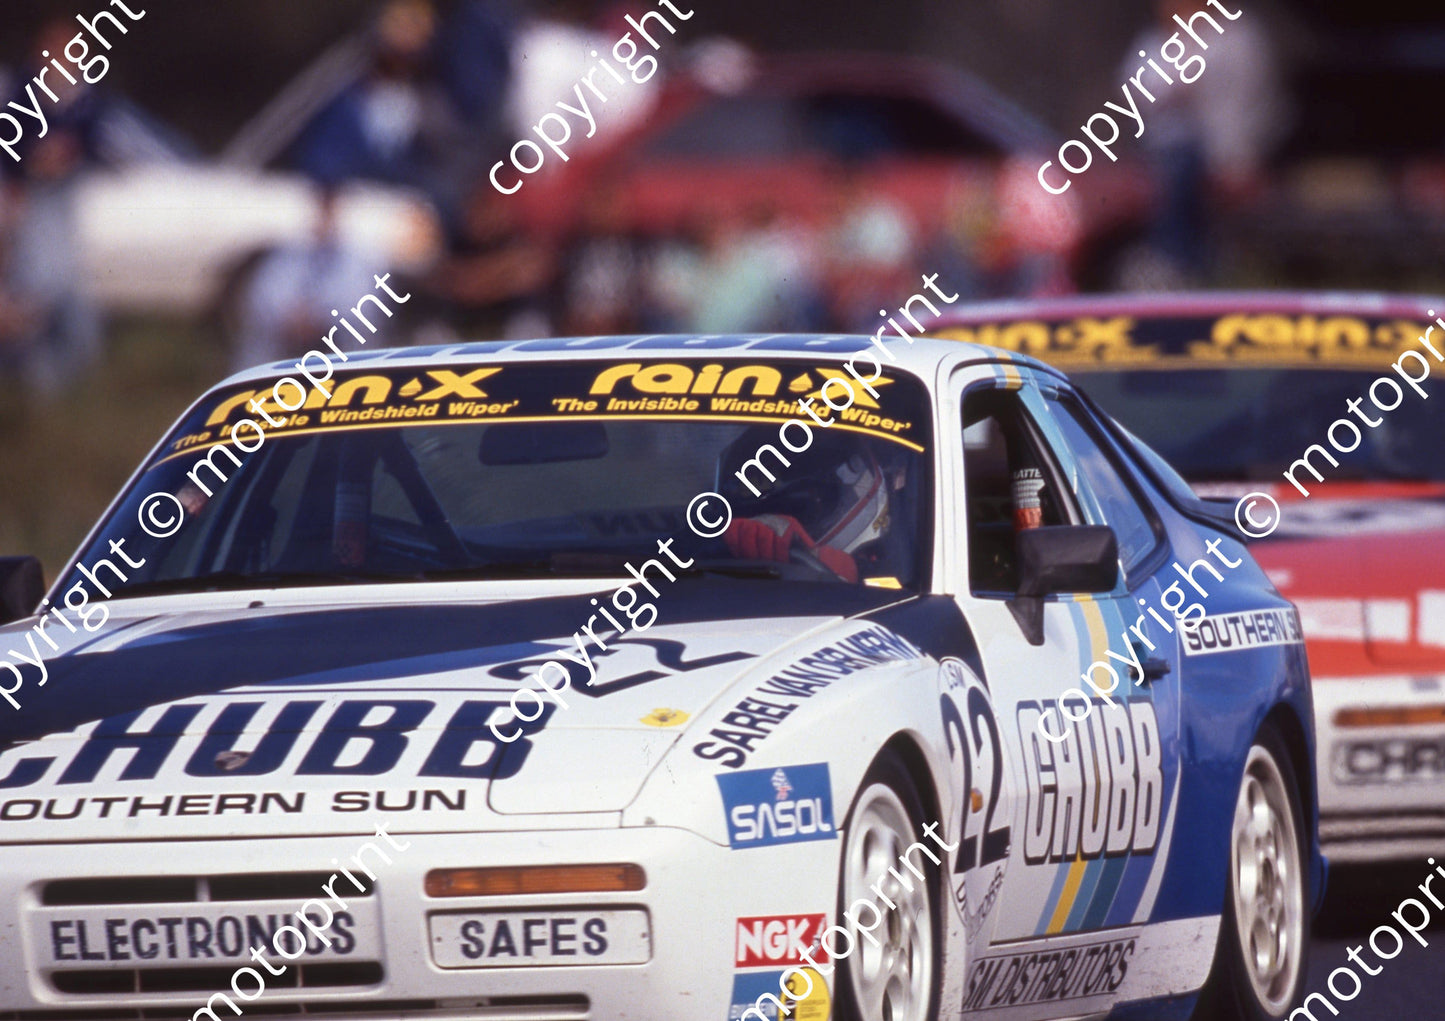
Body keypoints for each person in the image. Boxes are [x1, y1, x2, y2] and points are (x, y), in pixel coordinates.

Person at [716, 428, 909, 584]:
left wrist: (840, 565)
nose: (773, 522)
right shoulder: (708, 559)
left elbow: (895, 581)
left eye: (796, 507)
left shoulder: (909, 564)